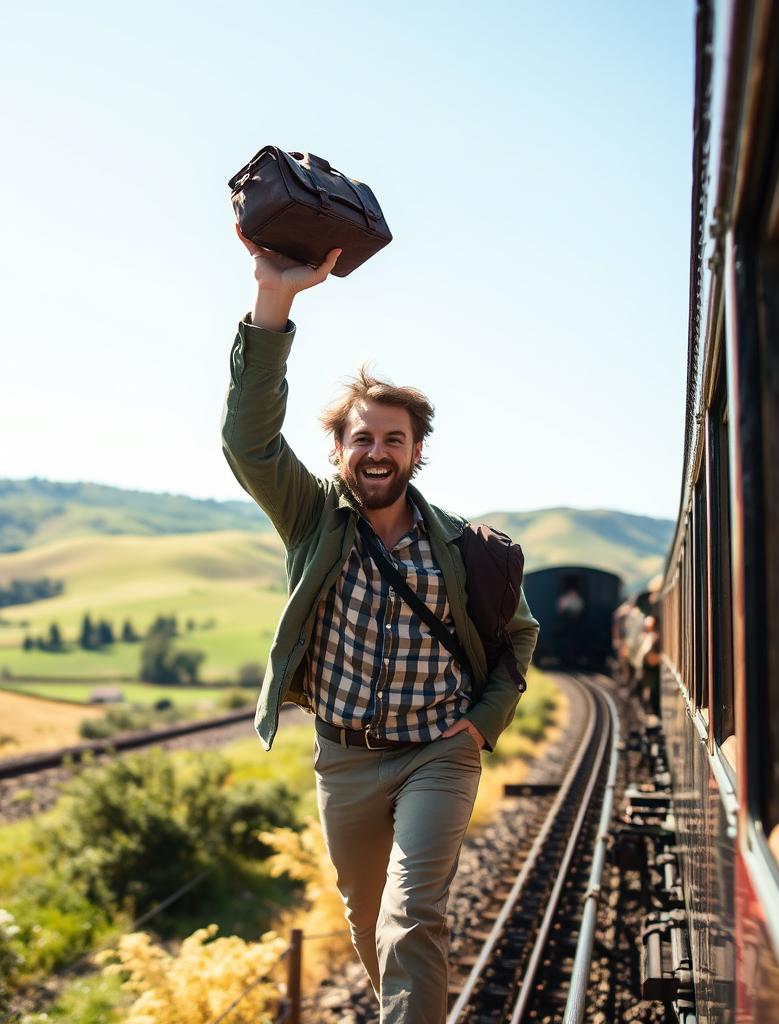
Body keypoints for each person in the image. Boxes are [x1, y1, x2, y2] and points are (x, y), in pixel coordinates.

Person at [222, 224, 540, 1024]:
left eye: (392, 440)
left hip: (439, 751)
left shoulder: (468, 549)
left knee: (410, 919)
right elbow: (249, 443)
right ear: (338, 450)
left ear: (416, 452)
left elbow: (517, 643)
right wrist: (272, 301)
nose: (376, 451)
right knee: (369, 925)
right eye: (361, 437)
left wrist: (478, 727)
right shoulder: (312, 520)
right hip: (348, 762)